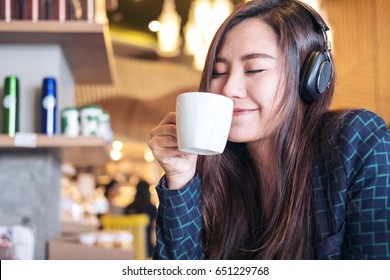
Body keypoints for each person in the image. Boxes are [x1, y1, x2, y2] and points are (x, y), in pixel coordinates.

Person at [148, 0, 390, 260]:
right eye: (218, 72)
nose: (229, 89)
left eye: (254, 69)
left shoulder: (356, 140)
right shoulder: (214, 172)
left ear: (310, 78)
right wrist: (181, 177)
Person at [124, 179, 157, 258]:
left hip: (128, 247)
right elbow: (157, 226)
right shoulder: (151, 208)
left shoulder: (128, 207)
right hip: (146, 248)